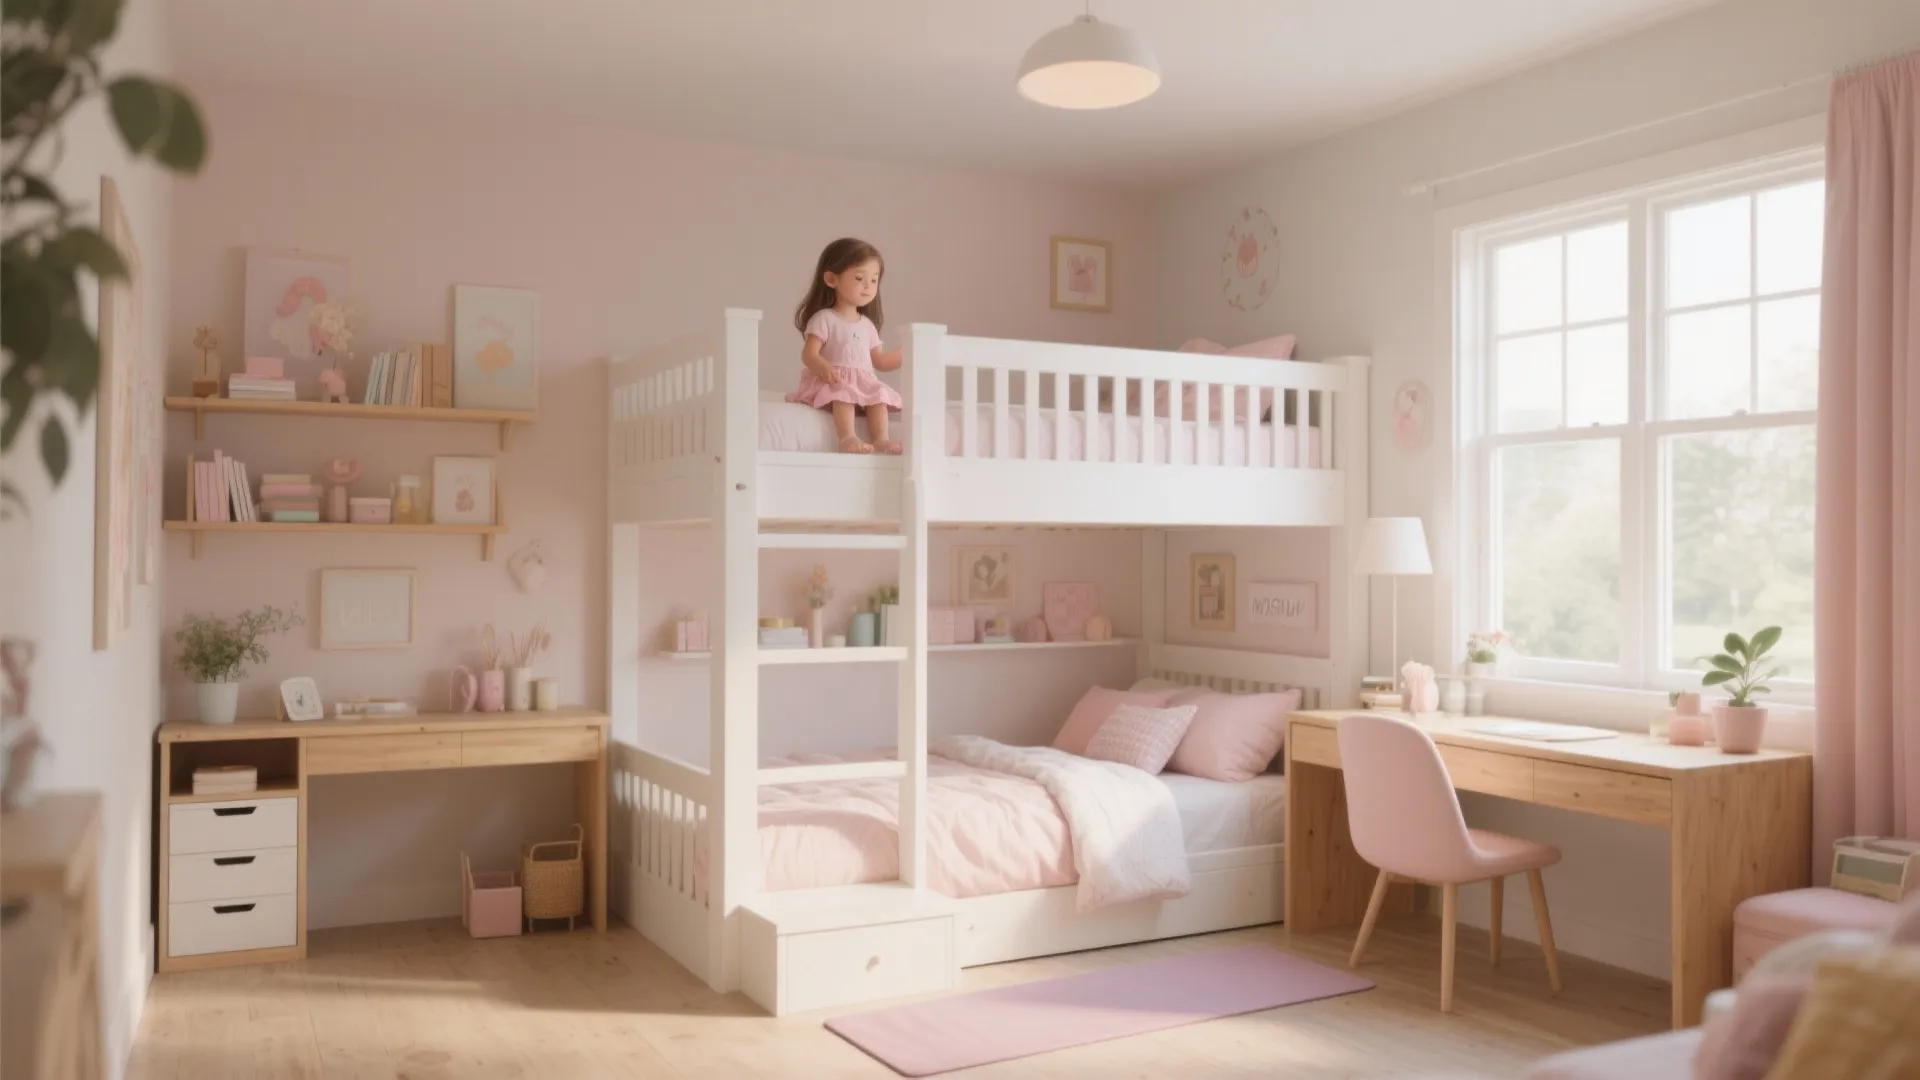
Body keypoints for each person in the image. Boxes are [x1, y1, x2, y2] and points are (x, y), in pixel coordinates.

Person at [789, 238, 904, 453]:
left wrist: (909, 352)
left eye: (874, 280)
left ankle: (881, 439)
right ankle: (847, 438)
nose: (868, 286)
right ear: (832, 279)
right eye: (860, 278)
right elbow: (808, 354)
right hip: (833, 379)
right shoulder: (825, 318)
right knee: (843, 393)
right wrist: (823, 367)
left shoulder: (867, 325)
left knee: (879, 395)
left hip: (863, 381)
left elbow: (880, 361)